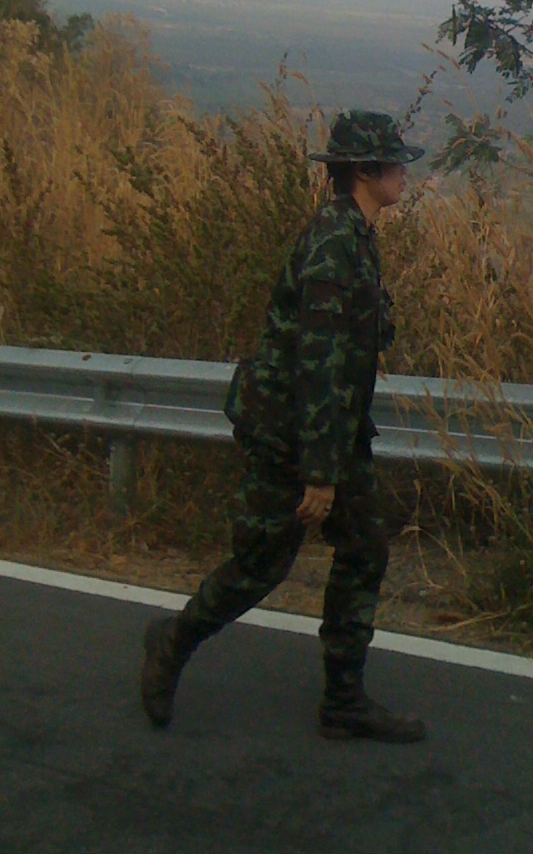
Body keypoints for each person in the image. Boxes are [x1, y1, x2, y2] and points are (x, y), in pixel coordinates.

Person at [140, 109, 426, 743]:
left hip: (331, 433)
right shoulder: (332, 245)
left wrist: (336, 455)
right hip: (291, 435)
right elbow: (317, 365)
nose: (404, 173)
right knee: (260, 565)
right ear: (366, 170)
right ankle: (173, 641)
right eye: (395, 162)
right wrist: (320, 474)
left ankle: (343, 702)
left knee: (365, 548)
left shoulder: (358, 236)